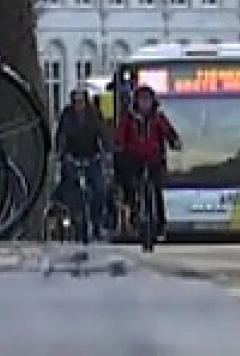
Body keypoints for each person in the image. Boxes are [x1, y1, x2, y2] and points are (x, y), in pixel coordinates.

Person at [115, 85, 181, 242]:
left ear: (152, 102)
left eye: (147, 100)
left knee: (156, 189)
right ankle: (134, 215)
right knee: (130, 185)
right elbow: (120, 134)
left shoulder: (158, 117)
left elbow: (168, 131)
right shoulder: (129, 118)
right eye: (141, 100)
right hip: (134, 159)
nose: (145, 104)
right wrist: (118, 145)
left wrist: (174, 141)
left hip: (154, 159)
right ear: (136, 101)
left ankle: (160, 223)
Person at [54, 89, 112, 240]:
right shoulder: (66, 116)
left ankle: (97, 221)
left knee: (99, 189)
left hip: (92, 156)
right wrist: (61, 153)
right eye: (76, 102)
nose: (78, 105)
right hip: (72, 157)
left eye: (81, 102)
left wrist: (106, 150)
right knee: (69, 186)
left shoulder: (94, 115)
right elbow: (62, 135)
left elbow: (103, 132)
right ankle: (73, 218)